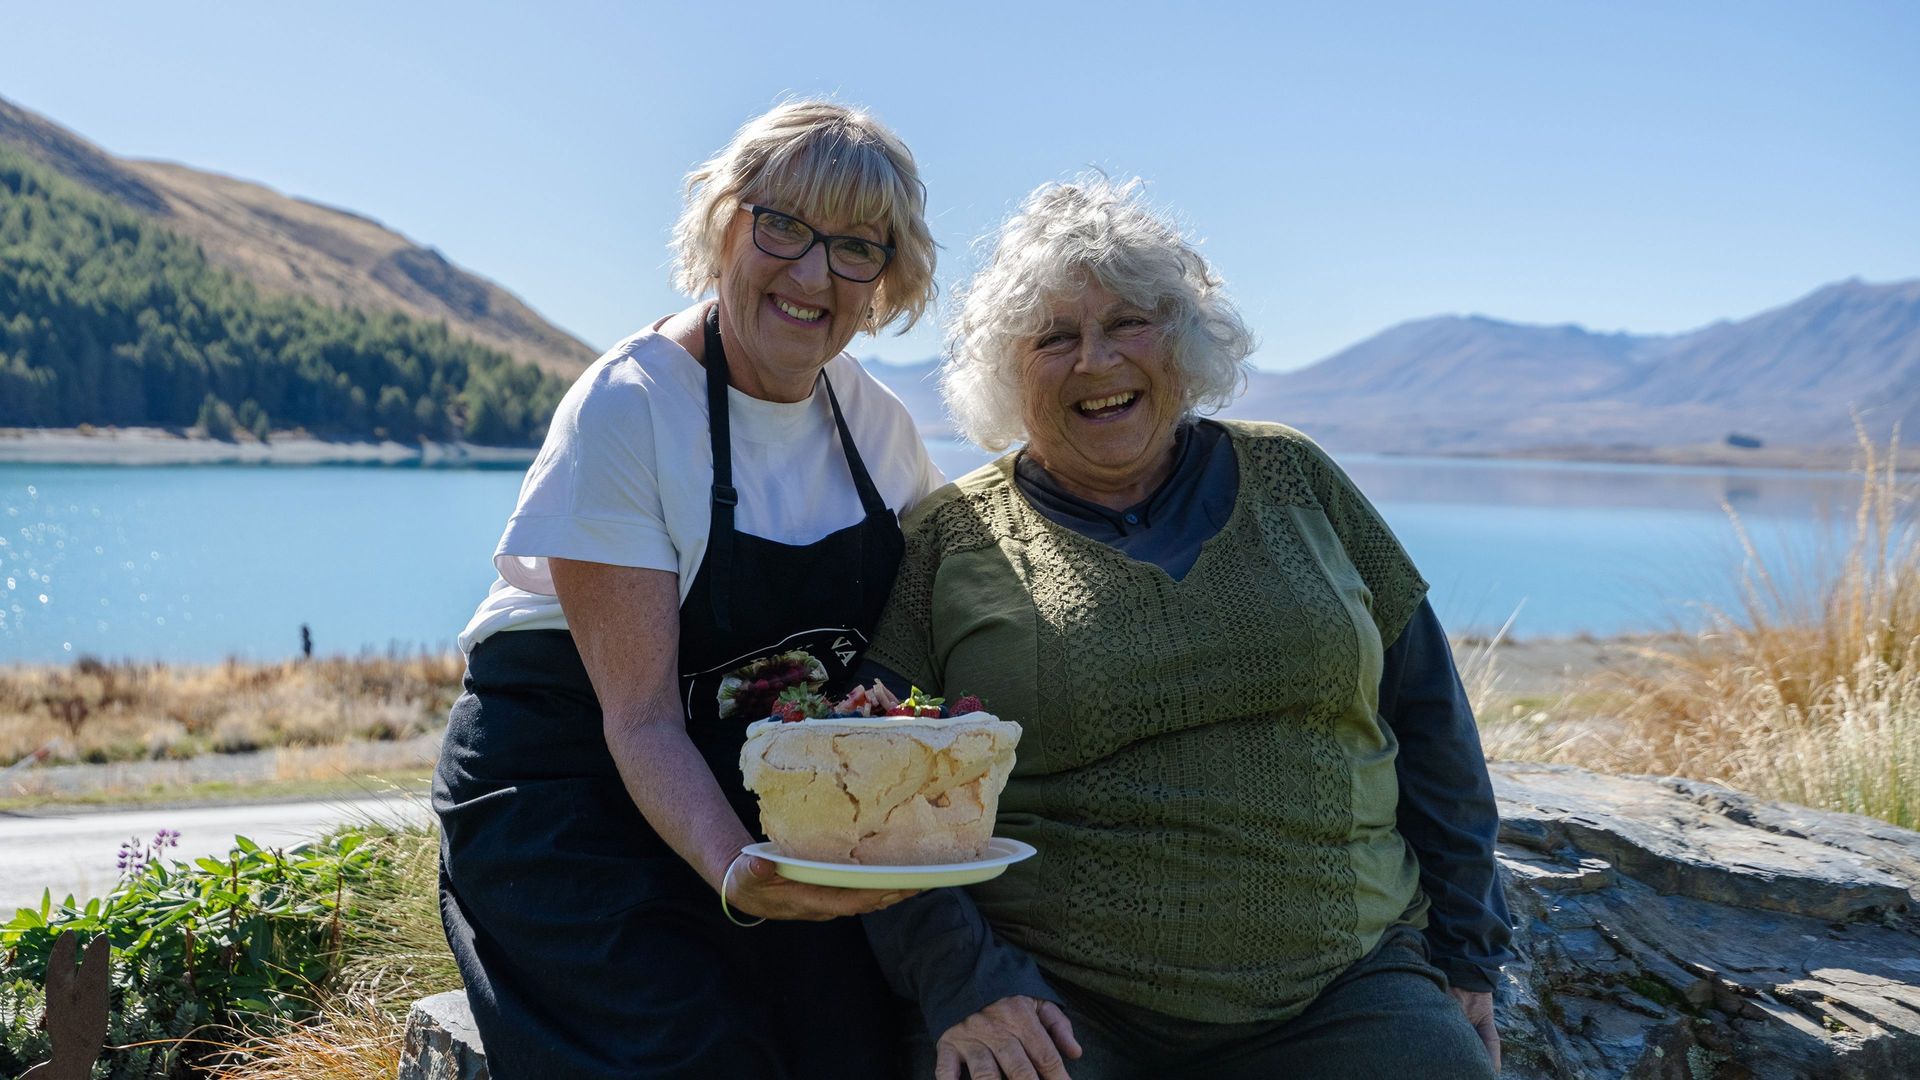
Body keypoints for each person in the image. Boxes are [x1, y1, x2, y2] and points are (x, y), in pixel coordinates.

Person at [860, 178, 1512, 1080]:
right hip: (1060, 1006)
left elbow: (1433, 718)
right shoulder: (952, 538)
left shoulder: (1297, 478)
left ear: (1184, 336)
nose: (1096, 361)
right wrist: (967, 982)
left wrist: (1469, 952)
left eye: (1129, 322)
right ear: (1008, 373)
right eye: (1053, 338)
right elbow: (877, 793)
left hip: (1347, 986)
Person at [433, 100, 944, 1079]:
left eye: (854, 248)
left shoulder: (880, 436)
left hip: (752, 795)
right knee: (700, 1059)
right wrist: (738, 874)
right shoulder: (631, 408)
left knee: (856, 1055)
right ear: (723, 224)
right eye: (782, 225)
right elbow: (642, 723)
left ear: (888, 281)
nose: (811, 274)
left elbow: (922, 650)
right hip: (564, 798)